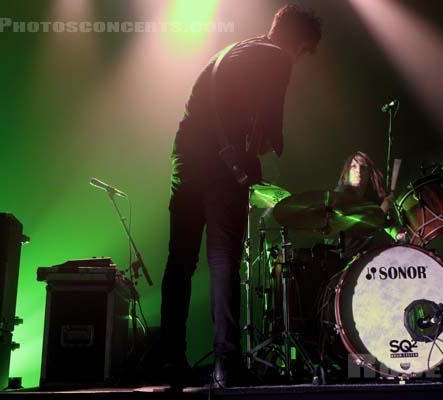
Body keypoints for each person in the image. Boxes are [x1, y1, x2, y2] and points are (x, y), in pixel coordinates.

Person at [160, 4, 322, 390]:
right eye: (302, 53)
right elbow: (271, 134)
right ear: (297, 44)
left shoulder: (229, 51)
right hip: (221, 167)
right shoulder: (277, 58)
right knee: (222, 261)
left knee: (180, 260)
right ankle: (226, 363)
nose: (297, 60)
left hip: (185, 158)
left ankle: (169, 360)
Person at [334, 151, 403, 261]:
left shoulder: (371, 199)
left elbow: (387, 224)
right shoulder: (342, 193)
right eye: (353, 166)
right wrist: (385, 205)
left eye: (363, 167)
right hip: (347, 257)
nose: (359, 171)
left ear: (369, 172)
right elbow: (366, 225)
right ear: (347, 171)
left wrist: (398, 234)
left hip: (370, 255)